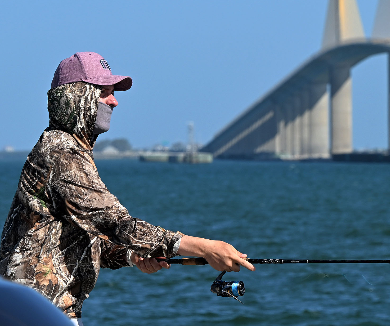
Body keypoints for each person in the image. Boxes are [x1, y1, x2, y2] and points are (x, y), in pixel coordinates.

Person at [0, 52, 255, 325]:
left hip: (44, 312)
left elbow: (87, 239)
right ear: (76, 97)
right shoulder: (61, 152)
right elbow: (116, 224)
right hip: (33, 314)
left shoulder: (68, 150)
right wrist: (205, 247)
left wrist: (133, 255)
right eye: (105, 93)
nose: (115, 101)